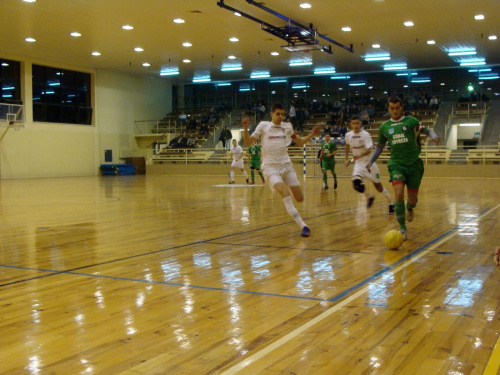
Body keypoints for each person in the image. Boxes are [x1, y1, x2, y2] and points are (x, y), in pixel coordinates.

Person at [366, 95, 440, 240]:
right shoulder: (385, 127)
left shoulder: (411, 121)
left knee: (412, 199)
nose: (395, 111)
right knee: (398, 193)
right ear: (388, 109)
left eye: (397, 108)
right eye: (392, 108)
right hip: (396, 165)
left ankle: (410, 207)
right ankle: (402, 228)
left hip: (414, 165)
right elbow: (379, 147)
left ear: (401, 108)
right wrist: (370, 162)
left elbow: (427, 131)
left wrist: (434, 136)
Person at [242, 103, 321, 237]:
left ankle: (286, 191)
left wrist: (312, 134)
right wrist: (245, 128)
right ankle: (304, 226)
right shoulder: (263, 126)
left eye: (282, 114)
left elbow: (300, 142)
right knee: (285, 192)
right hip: (270, 168)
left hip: (287, 167)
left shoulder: (287, 127)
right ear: (271, 114)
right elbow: (249, 142)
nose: (280, 116)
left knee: (300, 198)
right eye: (278, 114)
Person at [344, 115, 394, 213]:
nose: (355, 125)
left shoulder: (365, 134)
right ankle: (369, 196)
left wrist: (359, 155)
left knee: (379, 187)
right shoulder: (348, 135)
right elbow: (346, 145)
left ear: (360, 123)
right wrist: (346, 159)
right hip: (358, 164)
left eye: (357, 123)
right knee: (356, 183)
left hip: (369, 164)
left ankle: (391, 203)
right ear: (351, 124)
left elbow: (369, 150)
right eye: (353, 123)